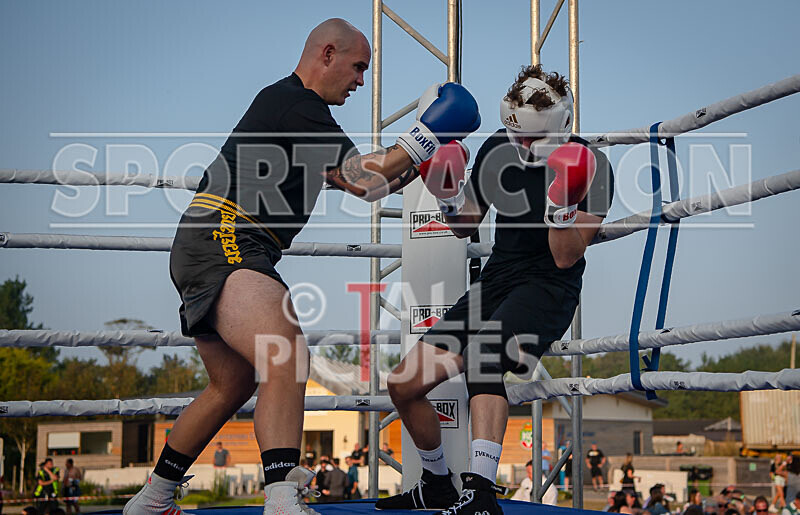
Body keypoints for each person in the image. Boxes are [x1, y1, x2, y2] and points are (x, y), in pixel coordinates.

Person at [122, 16, 479, 515]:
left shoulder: (297, 113)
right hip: (226, 235)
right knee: (284, 352)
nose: (360, 81)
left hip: (216, 242)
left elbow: (367, 185)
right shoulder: (295, 103)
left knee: (233, 383)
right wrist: (426, 135)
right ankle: (283, 499)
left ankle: (154, 497)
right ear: (326, 54)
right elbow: (360, 178)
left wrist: (427, 165)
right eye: (357, 67)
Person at [379, 64, 613, 515]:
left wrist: (561, 206)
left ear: (558, 125)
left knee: (485, 356)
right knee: (403, 383)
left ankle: (482, 493)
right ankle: (436, 483)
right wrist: (446, 194)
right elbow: (466, 225)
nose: (520, 146)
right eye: (514, 135)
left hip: (548, 285)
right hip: (497, 279)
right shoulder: (496, 149)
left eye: (528, 138)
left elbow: (566, 257)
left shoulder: (592, 166)